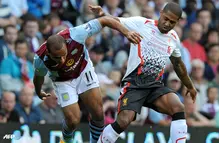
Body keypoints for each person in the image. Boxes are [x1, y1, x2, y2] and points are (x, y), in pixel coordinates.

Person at [90, 2, 197, 143]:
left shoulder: (174, 38)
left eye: (172, 22)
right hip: (134, 84)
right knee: (123, 121)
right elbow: (115, 21)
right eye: (166, 19)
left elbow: (178, 63)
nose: (167, 24)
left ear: (177, 22)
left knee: (178, 106)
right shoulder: (142, 23)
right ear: (161, 13)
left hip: (154, 86)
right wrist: (103, 14)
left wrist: (190, 86)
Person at [33, 15, 142, 143]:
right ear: (49, 53)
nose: (62, 60)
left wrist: (126, 32)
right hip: (63, 81)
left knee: (98, 114)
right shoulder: (40, 59)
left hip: (83, 71)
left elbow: (104, 20)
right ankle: (66, 140)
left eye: (64, 55)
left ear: (66, 45)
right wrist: (38, 91)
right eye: (57, 58)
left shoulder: (76, 34)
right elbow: (38, 77)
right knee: (73, 120)